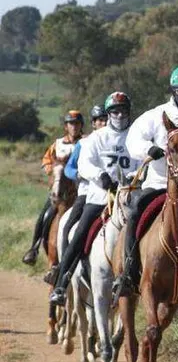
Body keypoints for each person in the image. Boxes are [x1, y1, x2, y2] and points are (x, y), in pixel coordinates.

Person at [112, 65, 178, 300]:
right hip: (158, 184)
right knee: (134, 212)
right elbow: (134, 139)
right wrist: (149, 149)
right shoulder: (156, 115)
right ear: (173, 91)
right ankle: (129, 275)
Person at [49, 92, 135, 306]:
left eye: (123, 110)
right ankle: (62, 282)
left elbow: (143, 160)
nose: (119, 114)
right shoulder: (96, 138)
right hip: (100, 197)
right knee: (80, 232)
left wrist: (133, 178)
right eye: (114, 111)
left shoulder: (136, 135)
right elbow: (84, 164)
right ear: (108, 113)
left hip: (130, 195)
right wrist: (101, 176)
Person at [22, 110, 84, 266]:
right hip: (59, 192)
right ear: (66, 126)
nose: (74, 127)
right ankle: (34, 248)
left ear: (81, 125)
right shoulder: (58, 144)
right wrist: (54, 172)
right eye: (71, 123)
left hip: (80, 191)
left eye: (77, 123)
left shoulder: (86, 142)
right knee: (45, 215)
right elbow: (46, 161)